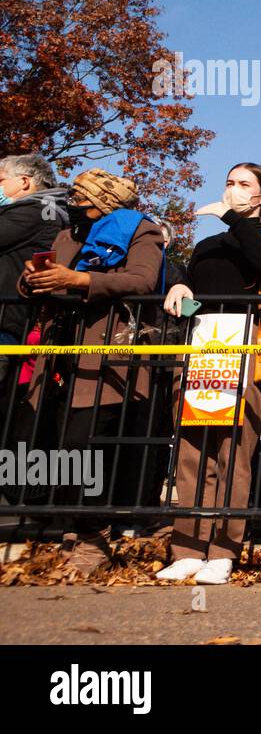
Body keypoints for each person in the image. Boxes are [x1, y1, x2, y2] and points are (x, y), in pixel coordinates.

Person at [16, 168, 163, 575]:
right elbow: (37, 285)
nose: (75, 207)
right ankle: (70, 525)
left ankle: (94, 535)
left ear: (105, 204)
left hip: (106, 355)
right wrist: (31, 281)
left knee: (90, 444)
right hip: (58, 352)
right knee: (58, 441)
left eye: (83, 201)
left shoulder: (142, 231)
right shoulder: (67, 237)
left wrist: (78, 279)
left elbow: (143, 280)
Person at [158, 163, 261, 585]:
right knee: (192, 454)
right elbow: (197, 286)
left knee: (234, 454)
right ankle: (188, 547)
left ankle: (223, 549)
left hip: (246, 350)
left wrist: (235, 216)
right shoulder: (209, 244)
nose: (233, 189)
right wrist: (180, 287)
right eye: (229, 182)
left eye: (244, 184)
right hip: (203, 350)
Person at [0, 154, 68, 387]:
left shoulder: (34, 211)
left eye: (1, 180)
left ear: (24, 182)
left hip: (6, 318)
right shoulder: (45, 210)